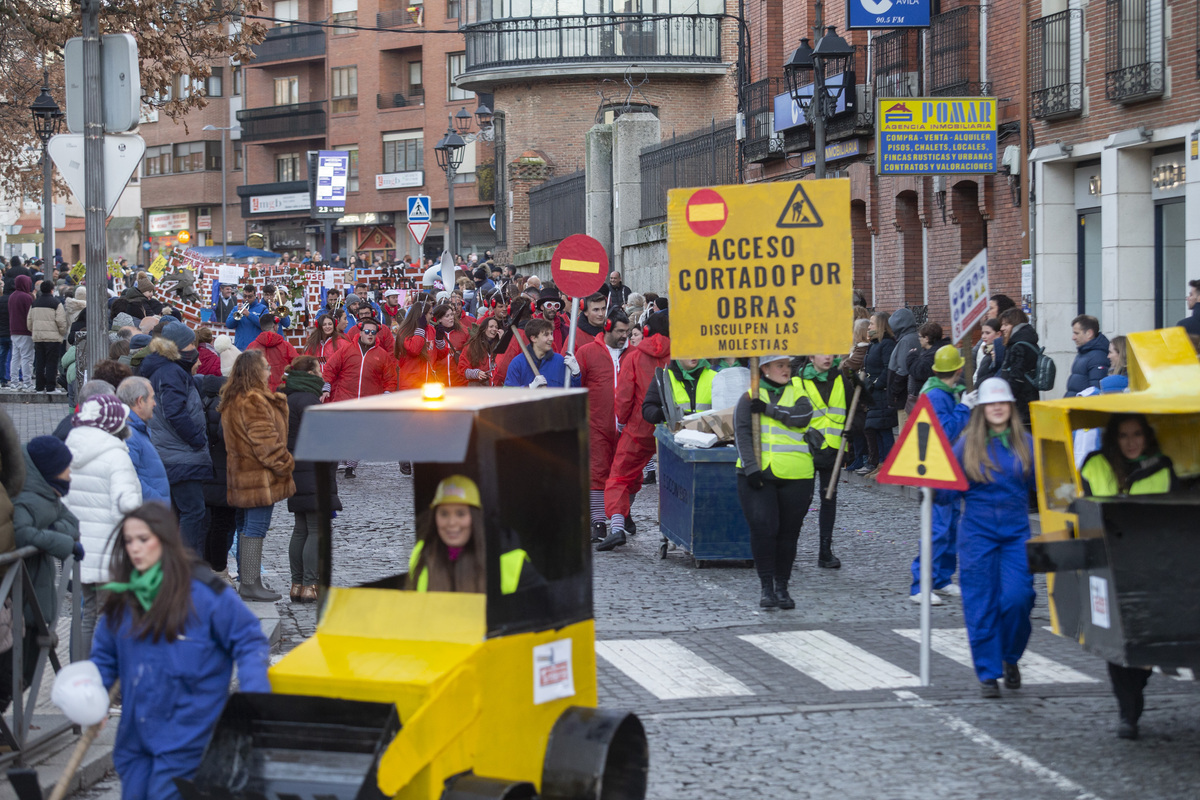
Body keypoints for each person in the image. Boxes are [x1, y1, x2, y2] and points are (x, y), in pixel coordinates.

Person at [90, 503, 270, 800]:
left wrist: (253, 698)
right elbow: (104, 658)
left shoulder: (208, 594)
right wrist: (94, 697)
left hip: (188, 733)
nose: (135, 548)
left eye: (143, 539)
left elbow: (249, 641)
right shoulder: (124, 599)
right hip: (136, 737)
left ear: (165, 539)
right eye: (129, 541)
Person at [1078, 413, 1176, 739]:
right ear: (1113, 439)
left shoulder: (1162, 468)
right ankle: (1128, 713)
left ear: (1147, 436)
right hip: (1110, 567)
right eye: (1124, 435)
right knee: (1116, 644)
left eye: (1137, 434)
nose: (1131, 442)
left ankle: (1136, 688)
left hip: (1150, 569)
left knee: (1144, 648)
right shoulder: (1095, 466)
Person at [946, 377, 1036, 698]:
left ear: (1010, 407)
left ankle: (1010, 657)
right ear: (982, 409)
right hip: (977, 537)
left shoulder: (1027, 443)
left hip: (1016, 537)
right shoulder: (966, 445)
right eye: (990, 403)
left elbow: (1048, 486)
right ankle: (987, 672)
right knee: (980, 604)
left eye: (1002, 402)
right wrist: (930, 487)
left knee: (1018, 599)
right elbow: (946, 488)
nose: (997, 407)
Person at [62, 394, 143, 654]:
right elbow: (127, 506)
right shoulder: (115, 456)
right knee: (111, 619)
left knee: (87, 616)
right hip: (110, 552)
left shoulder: (71, 449)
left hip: (81, 549)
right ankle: (104, 679)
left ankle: (82, 673)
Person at [733, 355, 816, 608]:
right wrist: (751, 468)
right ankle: (766, 587)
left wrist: (769, 410)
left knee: (788, 535)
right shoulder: (748, 397)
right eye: (780, 365)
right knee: (764, 529)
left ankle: (783, 587)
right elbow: (742, 434)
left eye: (788, 366)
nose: (786, 370)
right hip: (758, 476)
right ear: (765, 368)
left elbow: (802, 417)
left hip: (797, 475)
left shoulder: (799, 392)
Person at [220, 350, 295, 601]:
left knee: (245, 526)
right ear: (254, 371)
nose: (269, 371)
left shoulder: (235, 398)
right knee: (255, 527)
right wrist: (285, 464)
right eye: (264, 367)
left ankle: (250, 580)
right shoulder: (253, 400)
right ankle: (251, 583)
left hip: (243, 476)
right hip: (258, 478)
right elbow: (265, 443)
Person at [10, 436, 80, 701]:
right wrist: (61, 541)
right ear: (50, 468)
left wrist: (52, 532)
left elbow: (71, 522)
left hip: (37, 593)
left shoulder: (47, 493)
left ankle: (13, 724)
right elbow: (21, 533)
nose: (70, 472)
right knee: (17, 663)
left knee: (32, 657)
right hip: (22, 597)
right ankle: (11, 725)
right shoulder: (26, 497)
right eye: (66, 466)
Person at [597, 312, 669, 552]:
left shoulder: (635, 357)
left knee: (619, 475)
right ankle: (627, 515)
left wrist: (621, 422)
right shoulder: (679, 354)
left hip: (640, 427)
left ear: (645, 331)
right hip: (673, 428)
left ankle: (617, 526)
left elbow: (625, 397)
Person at [139, 322, 212, 558]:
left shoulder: (164, 369)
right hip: (180, 455)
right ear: (178, 347)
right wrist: (196, 440)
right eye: (191, 344)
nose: (195, 348)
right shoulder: (171, 371)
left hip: (170, 452)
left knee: (177, 512)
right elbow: (174, 412)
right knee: (193, 511)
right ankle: (184, 566)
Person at [909, 345, 975, 606]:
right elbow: (945, 432)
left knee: (947, 527)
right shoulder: (937, 396)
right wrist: (965, 409)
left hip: (944, 468)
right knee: (937, 529)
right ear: (958, 370)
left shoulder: (943, 392)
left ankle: (941, 579)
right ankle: (921, 585)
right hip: (935, 469)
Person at [406, 475, 538, 593]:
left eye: (460, 514)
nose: (451, 522)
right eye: (444, 514)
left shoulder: (508, 560)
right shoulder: (420, 554)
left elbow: (542, 611)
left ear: (475, 519)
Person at [283, 356, 340, 603]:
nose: (322, 373)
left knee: (301, 527)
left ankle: (297, 584)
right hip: (312, 467)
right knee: (316, 528)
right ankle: (310, 584)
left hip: (295, 466)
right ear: (310, 373)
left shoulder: (290, 396)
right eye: (319, 369)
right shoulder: (307, 399)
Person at [575, 308, 631, 542]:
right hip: (597, 423)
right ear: (608, 328)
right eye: (620, 331)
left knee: (625, 476)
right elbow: (576, 388)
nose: (624, 336)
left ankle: (619, 520)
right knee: (598, 474)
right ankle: (599, 521)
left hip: (627, 427)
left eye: (627, 332)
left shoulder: (633, 354)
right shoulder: (587, 353)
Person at [795, 353, 848, 569]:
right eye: (822, 353)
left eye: (830, 353)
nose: (827, 357)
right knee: (800, 501)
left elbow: (856, 407)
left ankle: (825, 551)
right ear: (811, 356)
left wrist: (853, 431)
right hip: (806, 449)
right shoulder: (797, 381)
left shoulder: (841, 378)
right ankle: (790, 546)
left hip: (833, 450)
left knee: (829, 500)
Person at [116, 377, 171, 505]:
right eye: (152, 398)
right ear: (140, 401)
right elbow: (129, 479)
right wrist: (157, 501)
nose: (155, 403)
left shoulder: (135, 429)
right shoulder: (128, 434)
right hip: (148, 514)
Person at [861, 312, 897, 476]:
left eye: (872, 324)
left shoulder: (886, 344)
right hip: (873, 393)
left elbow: (887, 367)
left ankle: (888, 463)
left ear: (881, 325)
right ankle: (881, 463)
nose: (869, 327)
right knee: (875, 428)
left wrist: (877, 384)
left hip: (880, 393)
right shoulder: (873, 344)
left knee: (883, 429)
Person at [503, 318, 581, 389]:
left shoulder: (560, 361)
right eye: (546, 335)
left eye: (551, 334)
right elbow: (508, 394)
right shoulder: (517, 363)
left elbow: (572, 395)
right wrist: (529, 388)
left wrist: (575, 375)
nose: (551, 338)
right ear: (533, 338)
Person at [396, 299, 450, 390]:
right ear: (421, 315)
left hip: (429, 383)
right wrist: (420, 329)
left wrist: (440, 340)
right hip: (411, 384)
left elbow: (439, 356)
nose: (432, 316)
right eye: (430, 313)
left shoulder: (431, 329)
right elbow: (414, 350)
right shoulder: (405, 331)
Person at [998, 307, 1040, 423]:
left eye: (1006, 324)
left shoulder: (1018, 346)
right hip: (1027, 402)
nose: (1002, 328)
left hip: (1020, 406)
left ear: (1015, 324)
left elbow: (1016, 378)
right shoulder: (1026, 341)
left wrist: (1005, 399)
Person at [642, 358, 717, 421]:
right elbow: (648, 409)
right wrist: (663, 414)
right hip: (672, 436)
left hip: (707, 436)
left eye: (695, 350)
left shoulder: (715, 377)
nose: (693, 355)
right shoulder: (664, 377)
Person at [27, 280, 67, 394]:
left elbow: (29, 322)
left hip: (38, 337)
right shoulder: (56, 303)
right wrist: (61, 332)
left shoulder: (34, 303)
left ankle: (39, 387)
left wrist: (34, 331)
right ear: (51, 289)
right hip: (53, 338)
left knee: (39, 362)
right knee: (51, 363)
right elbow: (61, 321)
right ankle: (50, 387)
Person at [247, 313, 299, 392]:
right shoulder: (286, 346)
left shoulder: (251, 347)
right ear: (275, 327)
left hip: (259, 391)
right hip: (282, 390)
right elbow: (297, 365)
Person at [905, 322, 951, 405]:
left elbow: (920, 371)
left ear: (927, 338)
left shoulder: (935, 354)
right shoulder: (929, 351)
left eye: (920, 336)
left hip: (929, 400)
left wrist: (911, 357)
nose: (918, 339)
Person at [1065, 314, 1110, 397]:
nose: (1073, 337)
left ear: (1089, 333)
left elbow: (1095, 390)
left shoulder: (1098, 357)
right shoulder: (1084, 352)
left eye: (1076, 333)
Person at [886, 307, 919, 419]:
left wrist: (894, 392)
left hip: (903, 397)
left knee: (904, 430)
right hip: (908, 394)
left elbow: (902, 370)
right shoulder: (914, 337)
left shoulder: (905, 341)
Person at [458, 315, 502, 386]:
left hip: (497, 388)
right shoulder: (472, 346)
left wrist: (502, 342)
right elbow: (462, 368)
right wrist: (476, 373)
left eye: (496, 327)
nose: (494, 329)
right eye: (491, 327)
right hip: (478, 388)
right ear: (484, 329)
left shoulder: (500, 346)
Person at [8, 274, 34, 391]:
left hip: (13, 330)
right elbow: (30, 315)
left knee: (15, 357)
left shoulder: (12, 296)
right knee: (26, 357)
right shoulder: (27, 297)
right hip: (25, 330)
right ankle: (27, 383)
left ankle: (14, 382)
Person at [225, 284, 266, 351]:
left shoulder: (263, 308)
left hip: (256, 349)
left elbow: (264, 325)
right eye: (245, 296)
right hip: (240, 348)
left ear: (255, 296)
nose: (247, 299)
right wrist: (237, 316)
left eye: (249, 297)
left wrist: (249, 315)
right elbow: (228, 324)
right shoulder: (237, 308)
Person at [973, 318, 1005, 384]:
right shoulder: (984, 348)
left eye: (987, 333)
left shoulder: (999, 352)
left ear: (998, 334)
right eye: (982, 333)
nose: (983, 336)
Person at [0, 279, 10, 389]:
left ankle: (3, 379)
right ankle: (12, 377)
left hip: (1, 333)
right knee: (14, 357)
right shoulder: (11, 300)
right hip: (12, 331)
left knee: (2, 356)